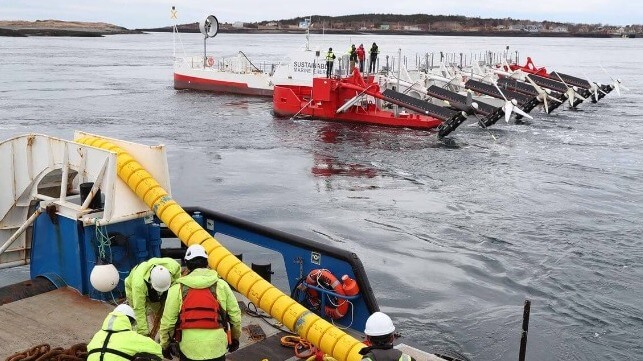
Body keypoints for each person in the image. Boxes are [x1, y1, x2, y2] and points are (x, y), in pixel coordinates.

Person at [159, 244, 242, 361]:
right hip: (216, 348)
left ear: (186, 264)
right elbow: (235, 316)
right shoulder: (221, 285)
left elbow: (168, 324)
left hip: (189, 349)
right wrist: (235, 338)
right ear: (207, 263)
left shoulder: (177, 289)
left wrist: (165, 346)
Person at [125, 257, 182, 338]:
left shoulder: (174, 267)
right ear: (151, 283)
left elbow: (178, 285)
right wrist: (144, 334)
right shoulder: (138, 284)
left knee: (164, 314)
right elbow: (139, 309)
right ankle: (138, 336)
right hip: (133, 289)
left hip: (165, 286)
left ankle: (164, 334)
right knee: (138, 319)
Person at [87, 304, 163, 361]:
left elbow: (89, 349)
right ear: (129, 322)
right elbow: (158, 351)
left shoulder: (97, 335)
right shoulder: (132, 337)